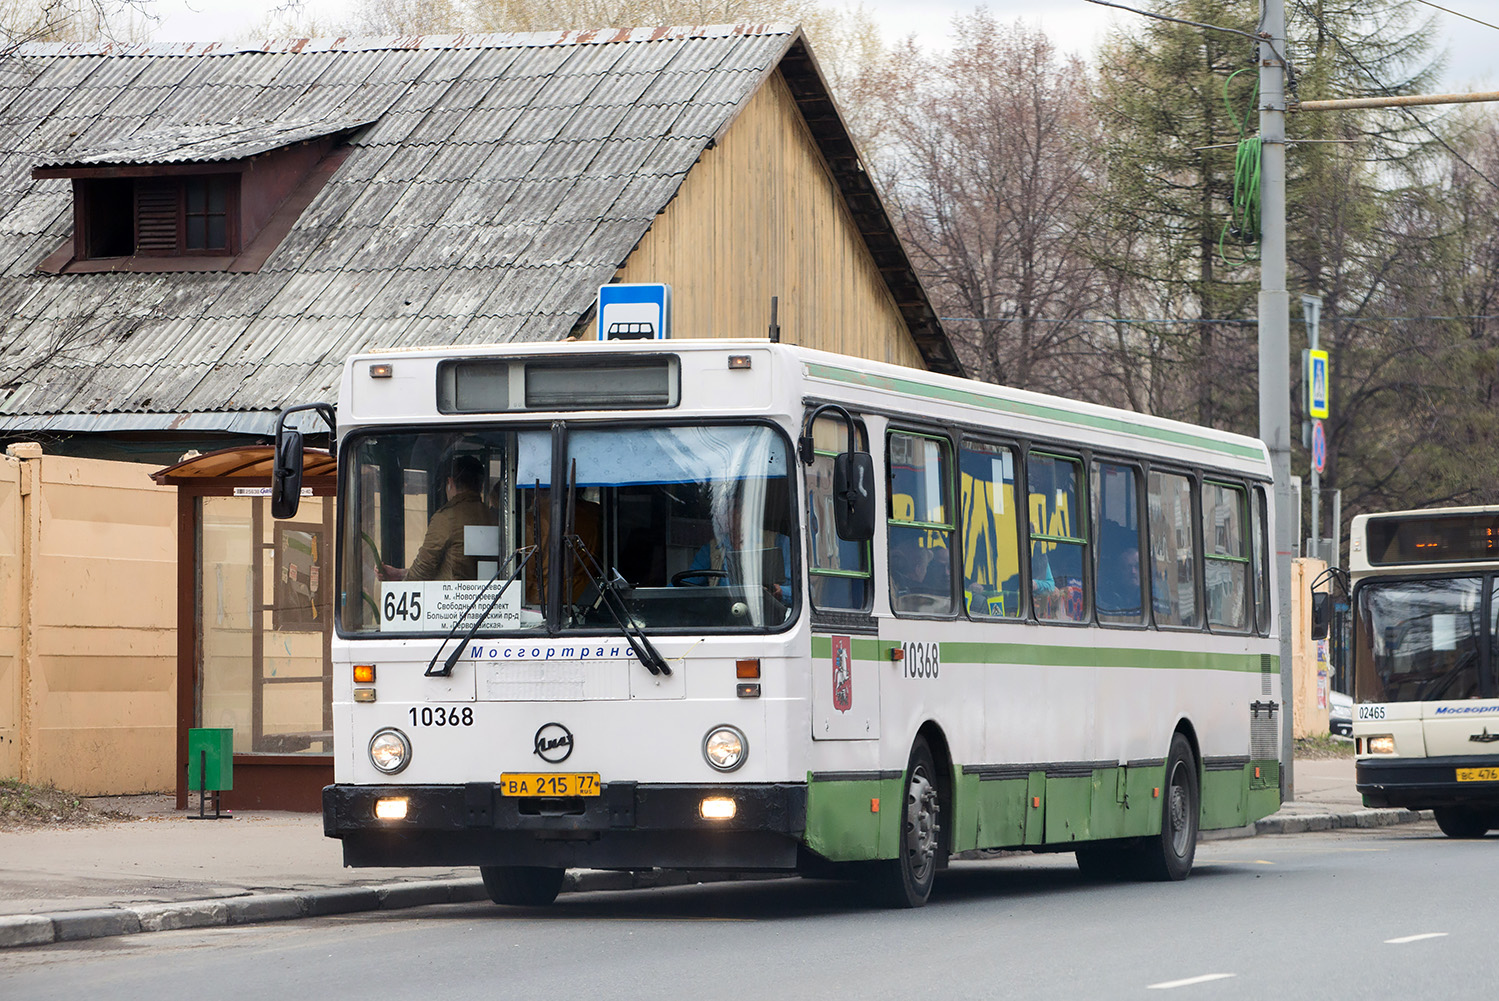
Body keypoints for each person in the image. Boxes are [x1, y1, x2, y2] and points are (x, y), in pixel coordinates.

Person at [381, 455, 490, 581]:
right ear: (481, 486)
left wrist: (402, 585)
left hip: (453, 597)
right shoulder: (493, 517)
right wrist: (400, 574)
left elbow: (424, 568)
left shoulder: (447, 518)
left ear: (450, 482)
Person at [680, 491, 791, 603]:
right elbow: (686, 584)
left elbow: (802, 591)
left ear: (748, 510)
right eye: (721, 509)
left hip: (766, 616)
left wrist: (781, 592)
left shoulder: (779, 541)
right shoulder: (711, 549)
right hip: (721, 616)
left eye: (734, 507)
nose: (726, 514)